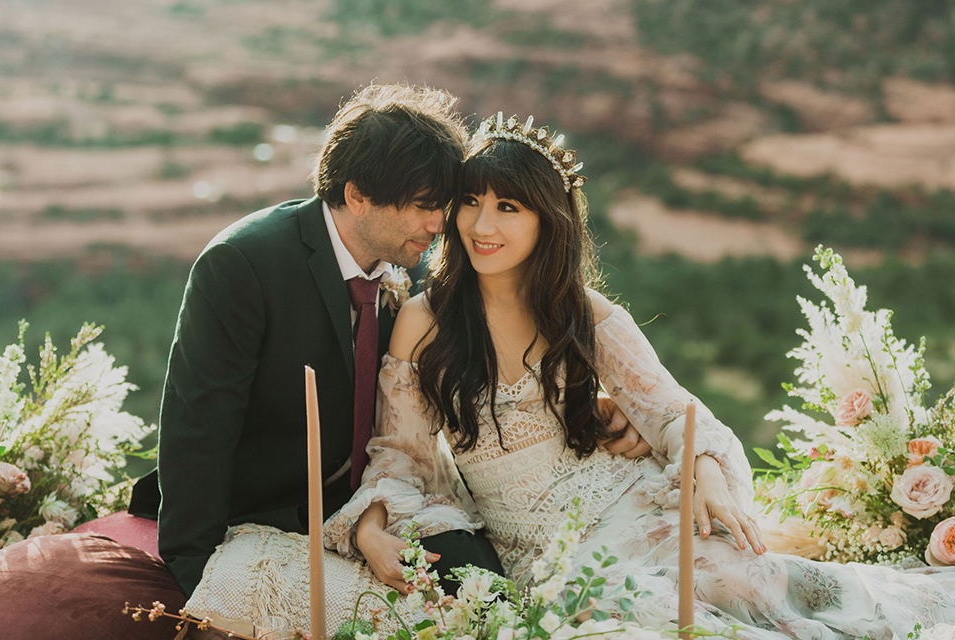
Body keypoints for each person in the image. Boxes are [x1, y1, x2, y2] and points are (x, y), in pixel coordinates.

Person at [324, 112, 955, 637]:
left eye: (508, 207)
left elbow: (676, 415)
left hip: (632, 504)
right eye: (470, 202)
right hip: (543, 553)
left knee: (743, 584)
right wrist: (373, 528)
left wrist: (705, 473)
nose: (482, 226)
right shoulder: (424, 320)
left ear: (548, 220)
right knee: (660, 623)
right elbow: (398, 458)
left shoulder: (587, 315)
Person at [128, 86, 645, 605]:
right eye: (424, 207)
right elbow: (199, 424)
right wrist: (193, 571)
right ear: (357, 196)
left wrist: (582, 402)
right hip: (270, 503)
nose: (440, 225)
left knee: (487, 593)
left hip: (386, 494)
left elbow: (491, 361)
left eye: (443, 206)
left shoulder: (412, 260)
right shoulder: (243, 265)